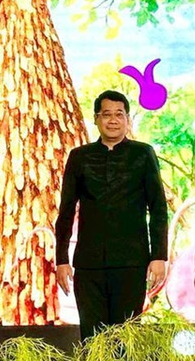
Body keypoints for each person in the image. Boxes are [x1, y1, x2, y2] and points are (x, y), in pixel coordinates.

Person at [54, 90, 168, 342]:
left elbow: (158, 208)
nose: (113, 120)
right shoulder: (79, 157)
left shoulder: (143, 154)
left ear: (127, 119)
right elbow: (66, 211)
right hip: (89, 263)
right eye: (106, 114)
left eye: (119, 114)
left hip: (131, 262)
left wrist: (159, 256)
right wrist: (61, 259)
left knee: (127, 337)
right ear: (96, 119)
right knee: (93, 339)